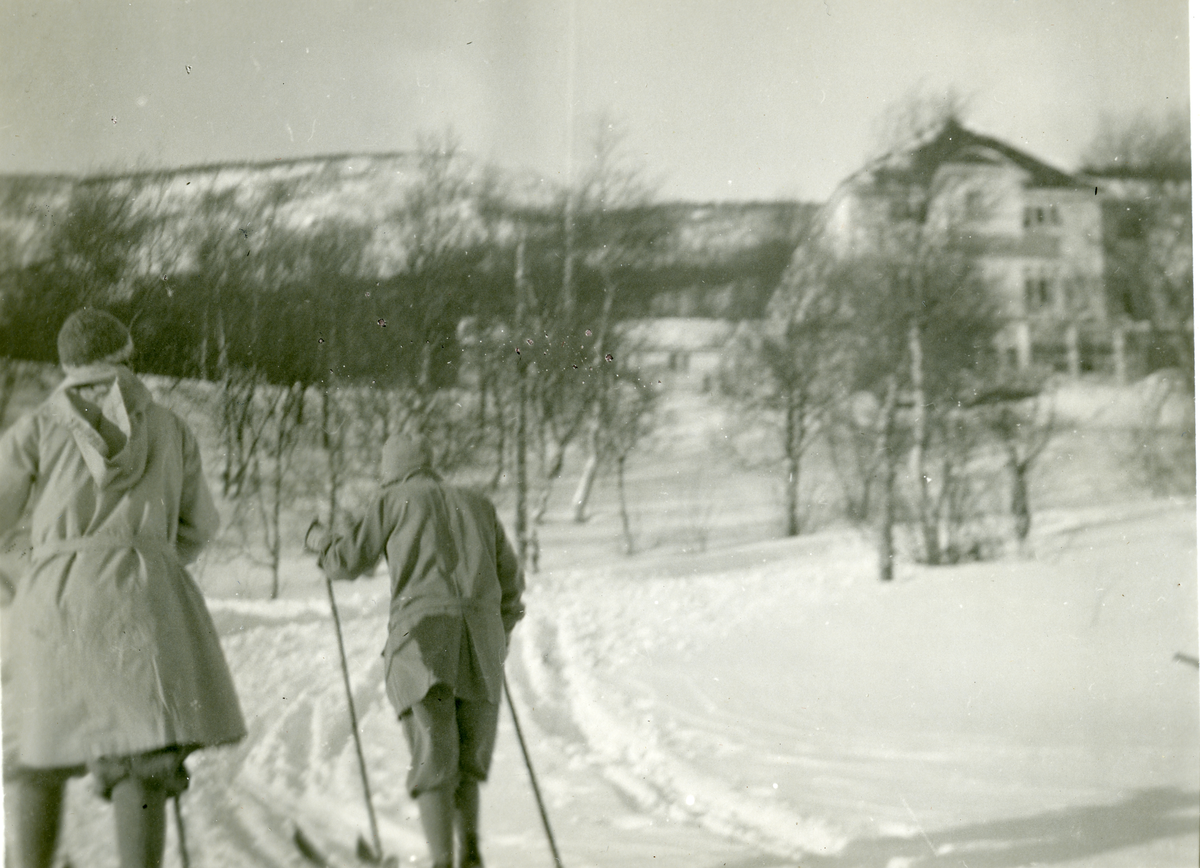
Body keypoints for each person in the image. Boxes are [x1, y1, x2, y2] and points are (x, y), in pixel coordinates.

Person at [0, 308, 246, 868]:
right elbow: (199, 525)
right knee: (141, 753)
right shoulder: (169, 425)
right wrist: (150, 560)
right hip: (142, 594)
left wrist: (25, 570)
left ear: (67, 363)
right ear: (124, 355)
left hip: (54, 600)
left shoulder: (39, 425)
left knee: (38, 751)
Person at [307, 433, 525, 868]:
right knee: (465, 758)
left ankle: (442, 861)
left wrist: (320, 543)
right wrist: (494, 634)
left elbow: (348, 560)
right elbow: (511, 586)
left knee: (434, 754)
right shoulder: (477, 503)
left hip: (423, 639)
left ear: (391, 473)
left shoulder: (394, 500)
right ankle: (471, 852)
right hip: (480, 642)